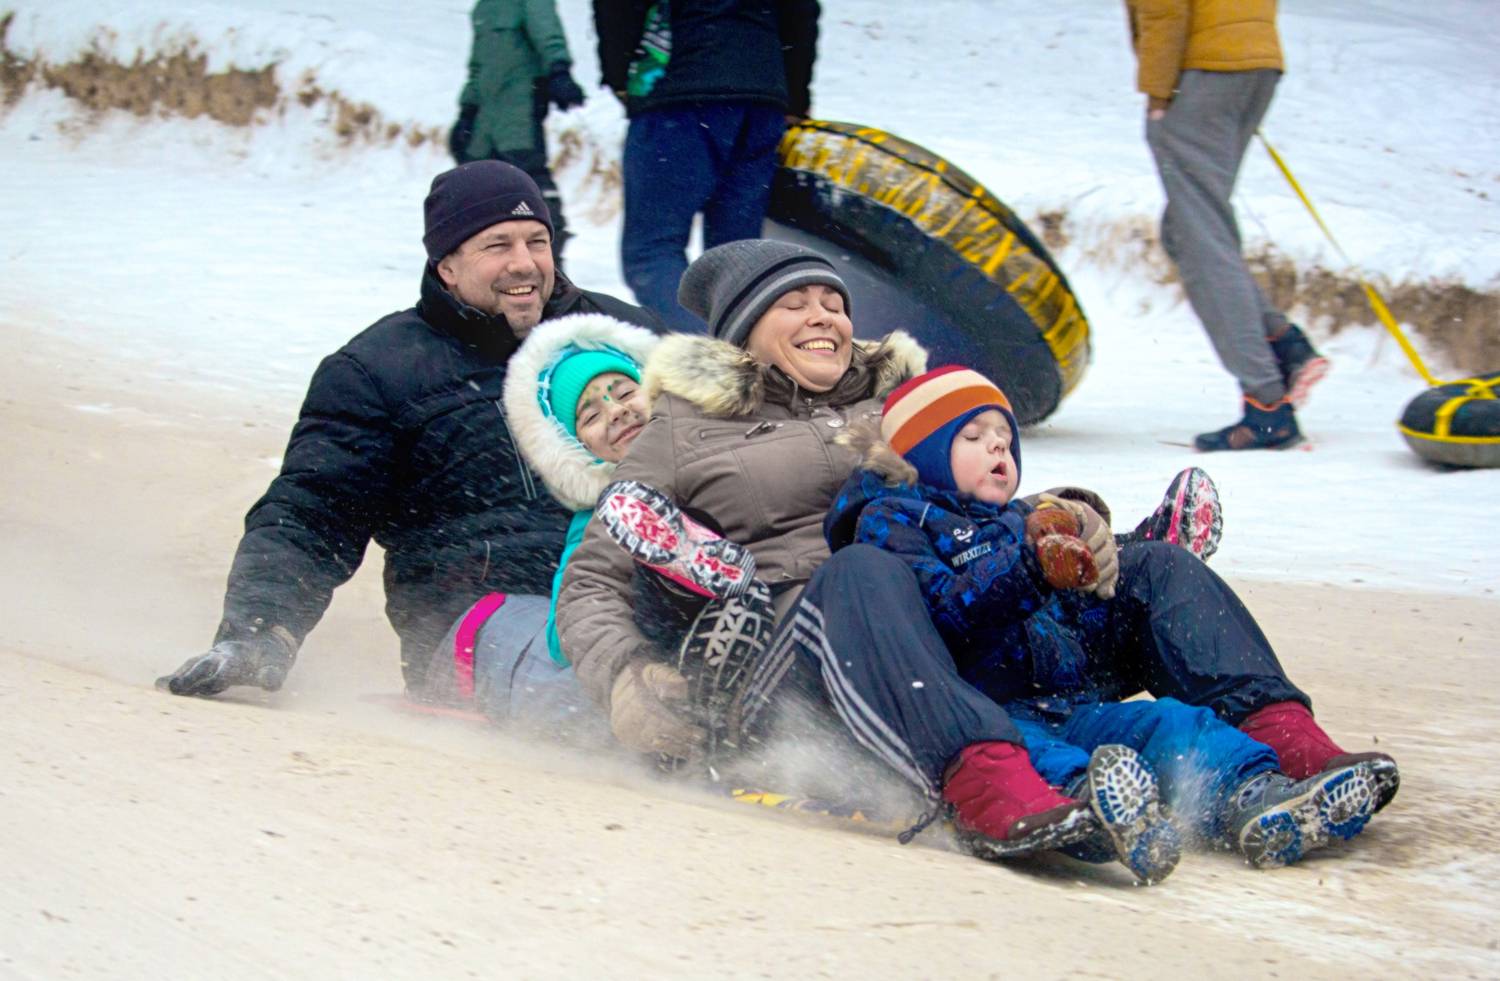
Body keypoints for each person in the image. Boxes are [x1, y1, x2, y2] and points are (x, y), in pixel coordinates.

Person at [824, 364, 1392, 868]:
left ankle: (1261, 796)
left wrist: (1099, 575)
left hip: (1066, 701)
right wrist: (1029, 569)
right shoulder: (895, 521)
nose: (998, 447)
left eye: (1006, 439)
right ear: (920, 455)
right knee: (1051, 758)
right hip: (986, 713)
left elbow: (1061, 613)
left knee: (1173, 725)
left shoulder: (1022, 519)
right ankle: (1096, 810)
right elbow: (944, 617)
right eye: (973, 436)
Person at [156, 161, 660, 701]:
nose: (524, 263)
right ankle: (654, 722)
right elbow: (314, 510)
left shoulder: (622, 336)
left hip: (644, 587)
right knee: (608, 688)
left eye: (537, 242)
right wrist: (260, 629)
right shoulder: (380, 371)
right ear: (447, 266)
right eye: (498, 245)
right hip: (481, 613)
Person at [1125, 0, 1330, 451]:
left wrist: (1158, 92)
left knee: (1201, 239)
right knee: (1187, 229)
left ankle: (1267, 404)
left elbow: (1164, 10)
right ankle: (1283, 343)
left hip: (1203, 71)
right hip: (1256, 62)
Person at [594, 0, 821, 332]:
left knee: (652, 251)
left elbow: (617, 9)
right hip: (759, 100)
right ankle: (740, 349)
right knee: (736, 258)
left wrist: (620, 76)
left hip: (679, 91)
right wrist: (794, 96)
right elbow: (801, 11)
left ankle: (706, 350)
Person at [449, 0, 588, 264]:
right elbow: (477, 66)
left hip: (519, 106)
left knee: (528, 181)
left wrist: (559, 71)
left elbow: (548, 34)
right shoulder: (484, 8)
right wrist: (467, 110)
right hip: (485, 120)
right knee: (478, 193)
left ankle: (548, 257)